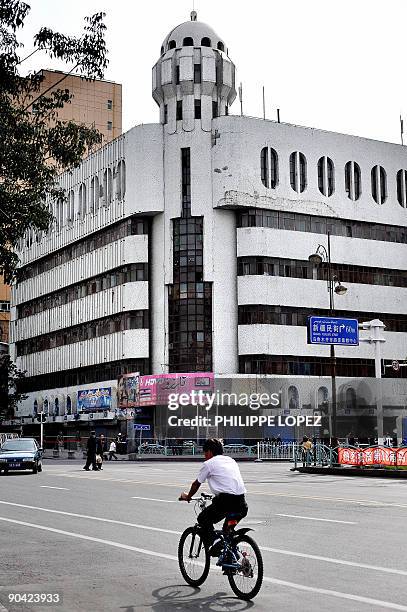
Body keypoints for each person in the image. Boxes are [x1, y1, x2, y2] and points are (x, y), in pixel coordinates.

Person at [179, 439, 248, 555]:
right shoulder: (231, 461)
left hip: (225, 503)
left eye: (205, 452)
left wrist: (188, 496)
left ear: (210, 452)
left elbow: (196, 484)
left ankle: (215, 541)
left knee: (202, 518)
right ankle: (232, 559)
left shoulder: (209, 464)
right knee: (227, 532)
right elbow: (227, 481)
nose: (205, 456)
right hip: (241, 503)